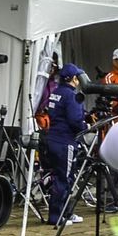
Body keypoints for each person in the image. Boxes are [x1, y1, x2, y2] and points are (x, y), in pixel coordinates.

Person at [43, 62, 85, 226]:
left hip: (53, 139)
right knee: (64, 179)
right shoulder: (71, 95)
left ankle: (66, 213)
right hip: (65, 141)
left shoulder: (56, 92)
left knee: (62, 177)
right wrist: (85, 127)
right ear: (74, 79)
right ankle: (57, 216)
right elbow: (75, 120)